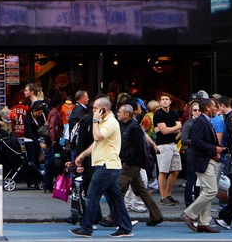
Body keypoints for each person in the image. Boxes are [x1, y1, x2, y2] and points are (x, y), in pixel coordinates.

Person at [70, 97, 134, 238]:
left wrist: (95, 121)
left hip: (106, 165)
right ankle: (125, 227)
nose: (92, 111)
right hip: (109, 165)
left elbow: (97, 137)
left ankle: (86, 228)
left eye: (95, 109)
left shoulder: (110, 122)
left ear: (103, 109)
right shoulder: (106, 122)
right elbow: (97, 144)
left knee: (92, 197)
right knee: (115, 200)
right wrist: (82, 155)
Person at [109, 103, 164, 226]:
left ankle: (112, 217)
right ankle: (156, 215)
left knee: (120, 189)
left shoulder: (133, 128)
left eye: (120, 112)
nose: (117, 113)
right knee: (142, 190)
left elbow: (137, 148)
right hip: (129, 163)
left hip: (130, 164)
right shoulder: (124, 125)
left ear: (127, 114)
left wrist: (128, 162)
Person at [180, 98, 224, 234]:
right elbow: (197, 142)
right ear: (207, 108)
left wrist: (214, 151)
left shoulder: (206, 121)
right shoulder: (200, 121)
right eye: (214, 106)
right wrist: (214, 149)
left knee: (207, 190)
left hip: (207, 159)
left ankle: (203, 223)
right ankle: (189, 213)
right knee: (211, 190)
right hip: (202, 161)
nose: (217, 109)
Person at [153, 93, 182, 206]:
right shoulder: (158, 114)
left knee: (176, 170)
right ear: (160, 102)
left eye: (167, 99)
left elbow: (180, 128)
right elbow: (165, 131)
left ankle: (168, 194)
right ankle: (163, 197)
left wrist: (172, 130)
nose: (164, 101)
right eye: (162, 99)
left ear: (170, 101)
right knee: (163, 171)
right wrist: (174, 129)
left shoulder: (174, 113)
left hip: (173, 144)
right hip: (163, 145)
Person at [181, 101, 201, 207]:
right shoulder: (188, 124)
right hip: (191, 153)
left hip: (201, 154)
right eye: (195, 110)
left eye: (199, 110)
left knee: (199, 179)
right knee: (191, 178)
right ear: (191, 112)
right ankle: (188, 202)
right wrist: (196, 142)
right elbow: (184, 140)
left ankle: (197, 201)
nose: (197, 112)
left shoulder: (203, 122)